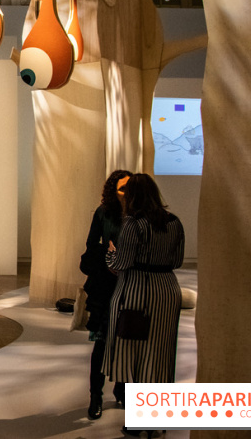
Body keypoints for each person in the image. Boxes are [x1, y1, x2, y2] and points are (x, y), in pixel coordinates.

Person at [102, 173, 184, 434]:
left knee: (136, 355)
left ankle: (138, 421)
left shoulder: (134, 224)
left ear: (134, 196)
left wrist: (110, 254)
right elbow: (178, 260)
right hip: (167, 292)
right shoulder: (174, 222)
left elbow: (121, 263)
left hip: (138, 292)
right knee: (160, 356)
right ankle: (157, 420)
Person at [80, 169, 131, 420]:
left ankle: (122, 391)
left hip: (131, 285)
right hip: (106, 285)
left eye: (129, 188)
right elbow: (91, 246)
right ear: (113, 190)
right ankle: (96, 396)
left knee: (126, 340)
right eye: (122, 188)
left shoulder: (138, 215)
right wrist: (107, 256)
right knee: (102, 343)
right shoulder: (104, 213)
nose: (126, 193)